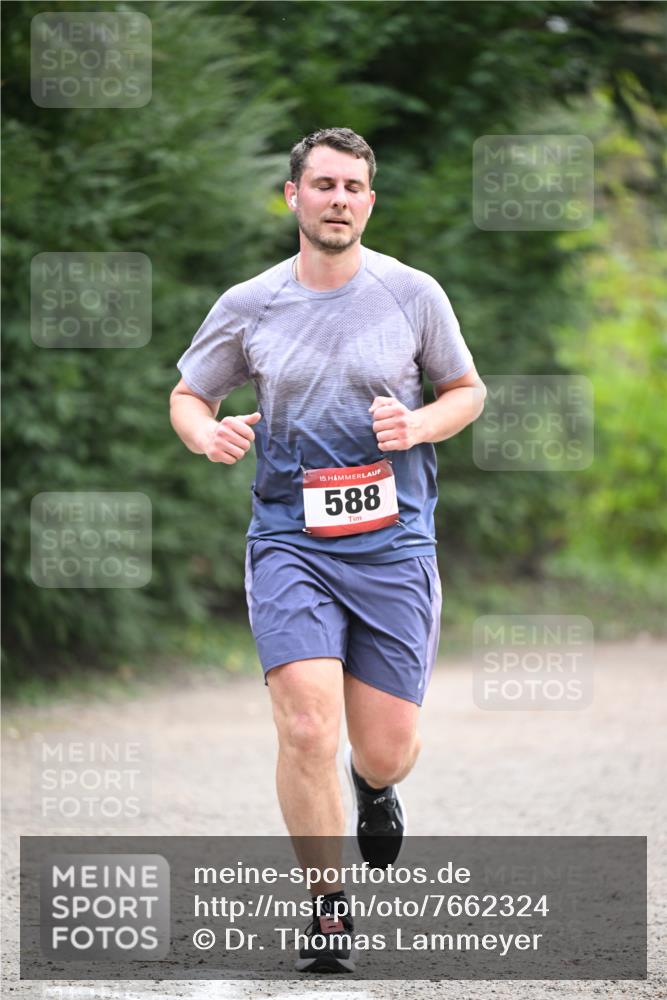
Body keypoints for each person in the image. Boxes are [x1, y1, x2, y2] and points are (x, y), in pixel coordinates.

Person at [170, 126, 486, 974]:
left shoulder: (412, 293)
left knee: (383, 746)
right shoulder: (249, 304)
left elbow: (467, 389)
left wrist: (417, 424)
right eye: (323, 185)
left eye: (353, 187)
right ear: (293, 197)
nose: (338, 199)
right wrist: (207, 437)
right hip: (289, 538)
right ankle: (327, 910)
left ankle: (375, 788)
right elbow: (189, 394)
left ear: (369, 202)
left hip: (391, 545)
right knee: (307, 723)